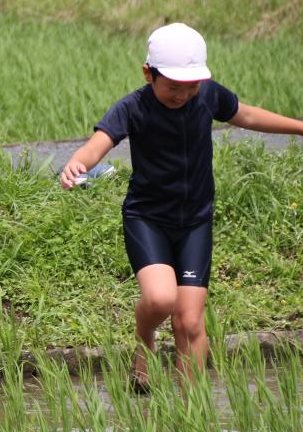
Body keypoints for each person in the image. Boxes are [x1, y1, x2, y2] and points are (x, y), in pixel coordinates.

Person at [59, 23, 303, 387]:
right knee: (159, 299)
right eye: (173, 86)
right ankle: (144, 340)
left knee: (189, 322)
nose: (183, 95)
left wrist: (300, 126)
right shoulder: (133, 107)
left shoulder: (206, 96)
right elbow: (100, 141)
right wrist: (79, 163)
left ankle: (190, 411)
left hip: (195, 222)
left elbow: (247, 115)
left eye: (190, 86)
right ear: (148, 74)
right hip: (149, 219)